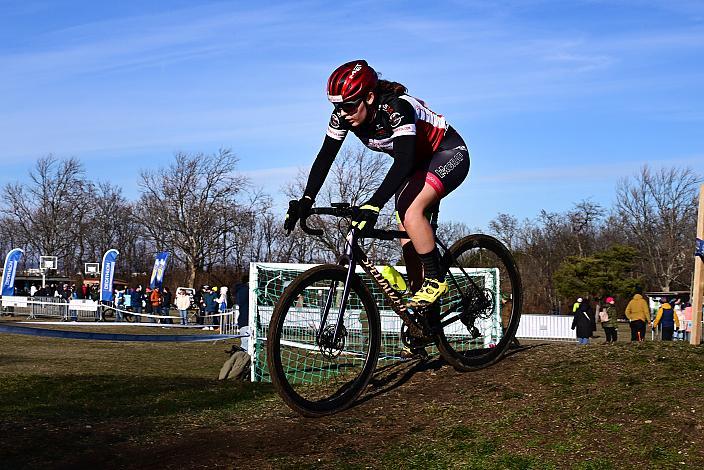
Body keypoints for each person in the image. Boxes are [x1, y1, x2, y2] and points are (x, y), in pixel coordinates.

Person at [284, 60, 470, 311]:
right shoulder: (344, 116)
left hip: (447, 152)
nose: (342, 113)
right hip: (416, 164)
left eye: (348, 106)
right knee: (407, 240)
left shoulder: (396, 107)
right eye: (337, 107)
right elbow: (325, 156)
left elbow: (404, 161)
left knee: (410, 210)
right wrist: (306, 199)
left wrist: (374, 203)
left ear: (369, 97)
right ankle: (422, 319)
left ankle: (436, 280)